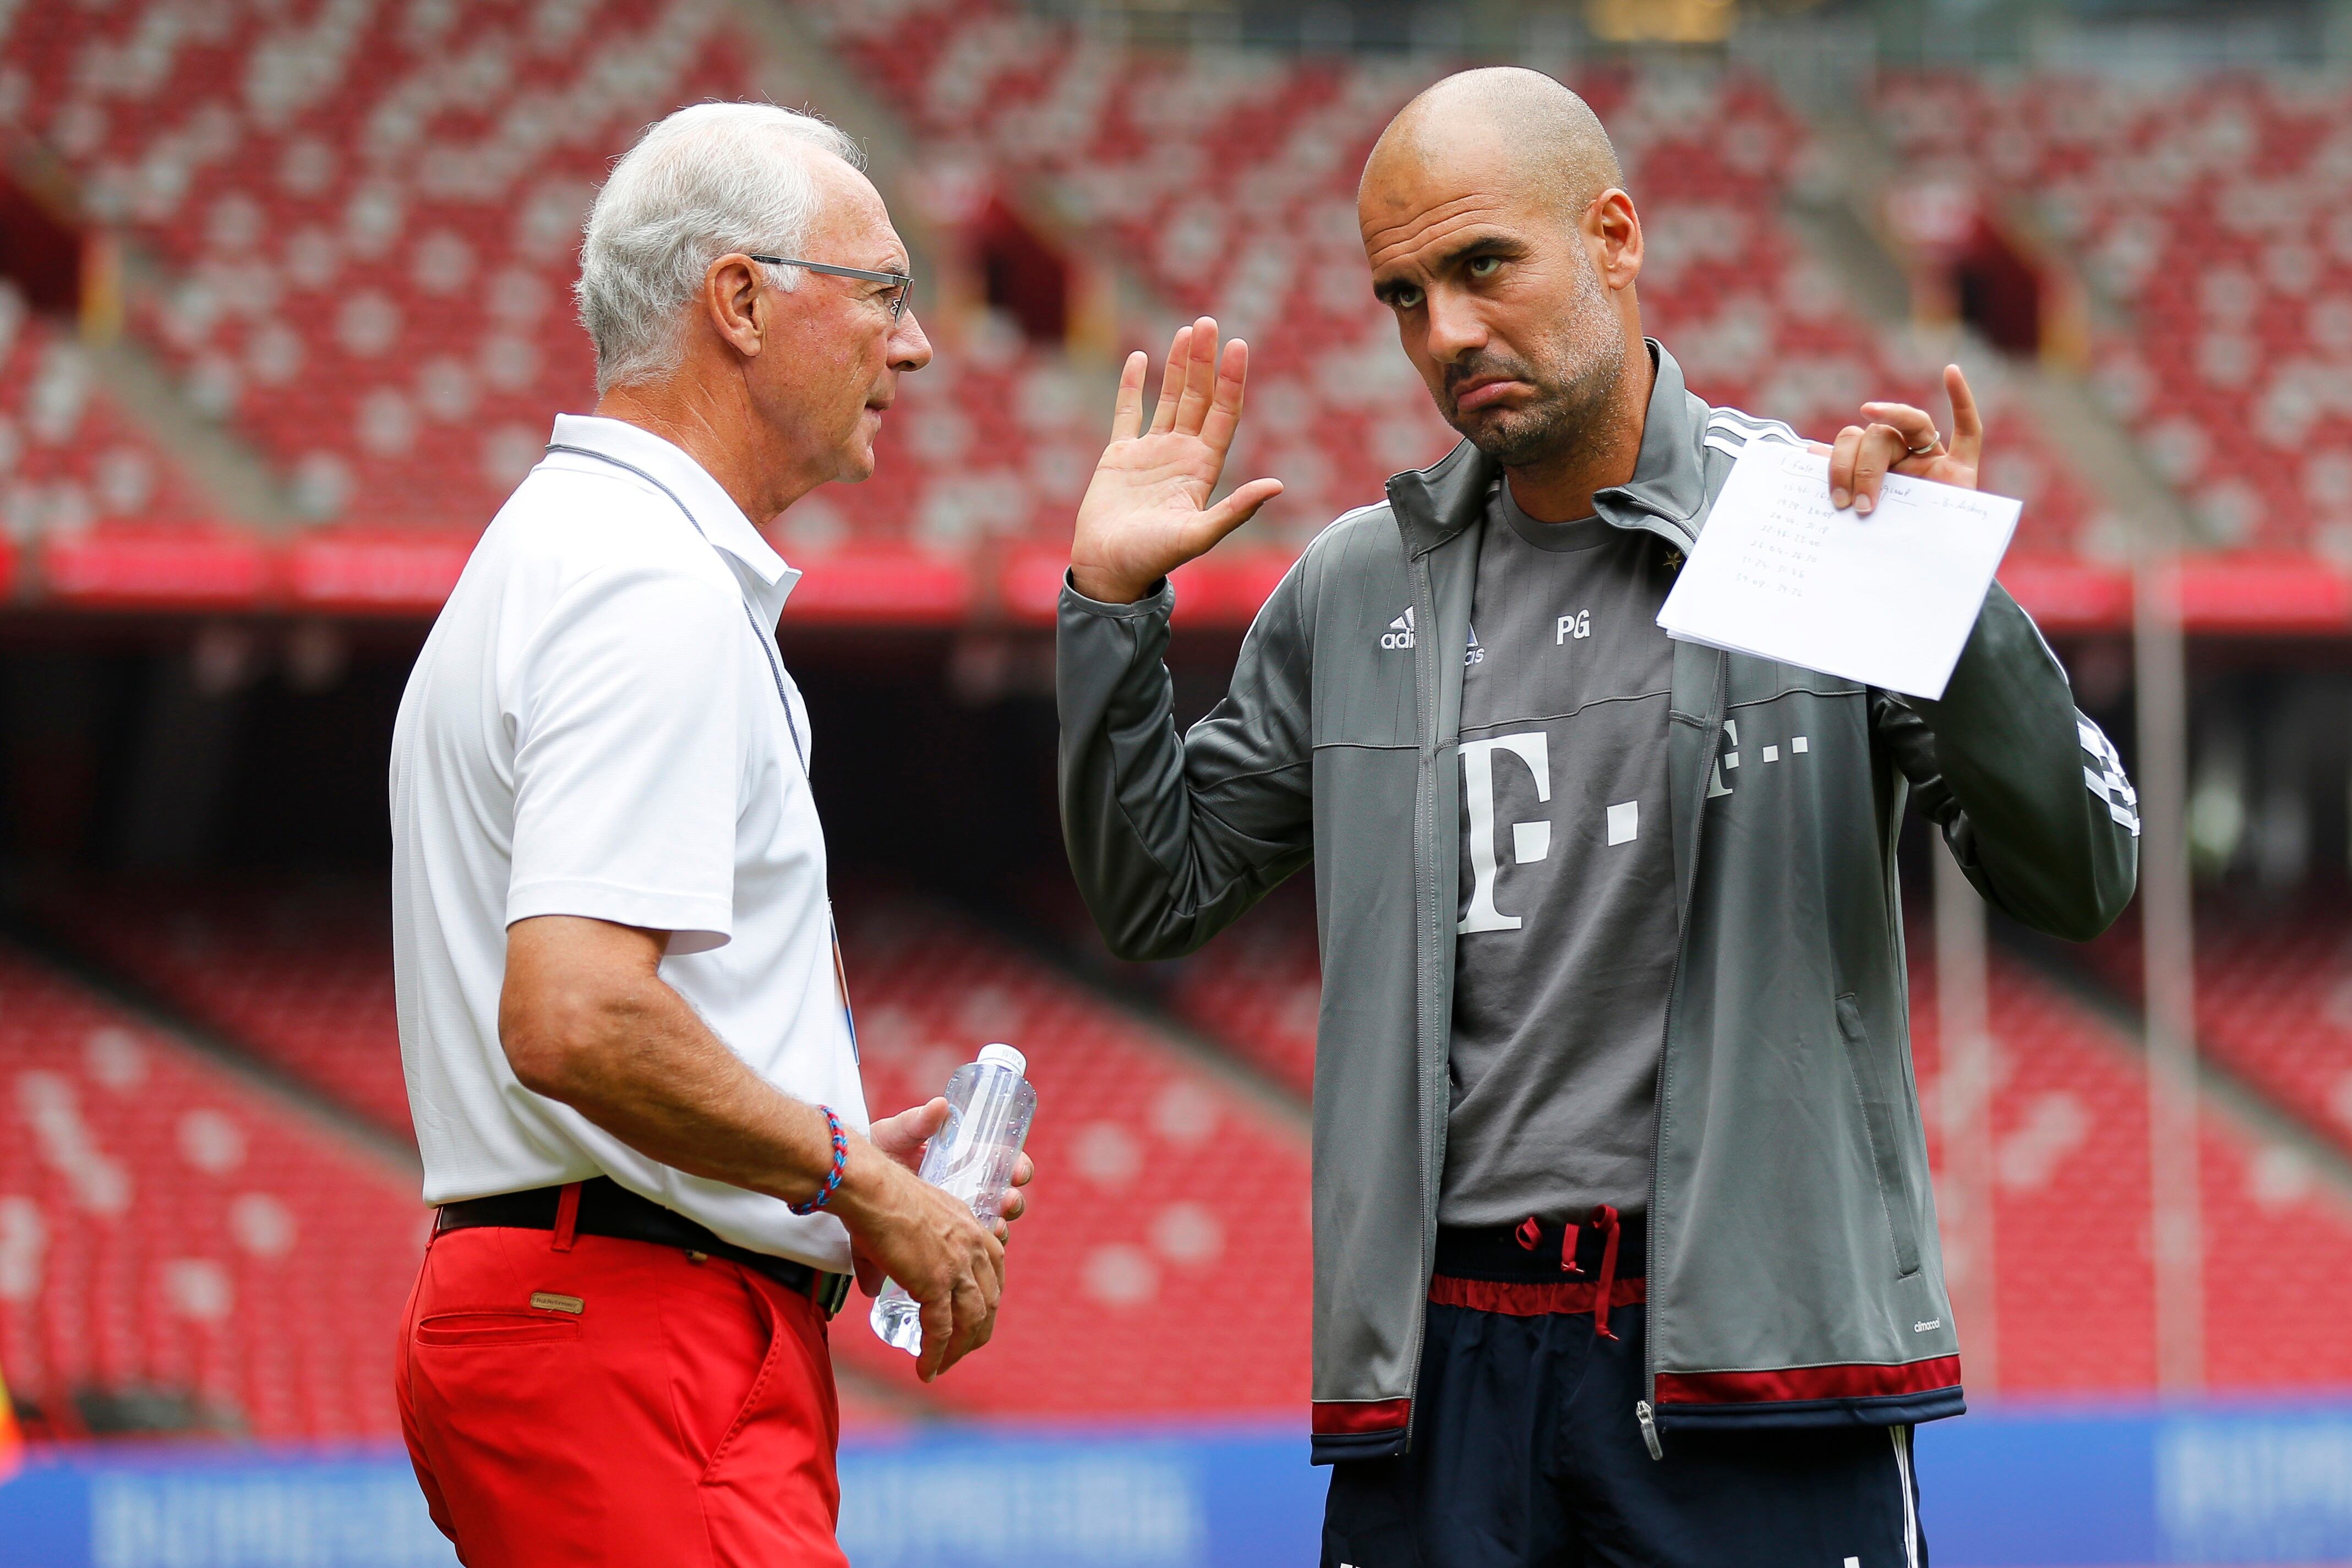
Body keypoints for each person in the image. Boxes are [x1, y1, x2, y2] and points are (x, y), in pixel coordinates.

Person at [1057, 68, 2136, 1567]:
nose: (1444, 333)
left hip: (1753, 1372)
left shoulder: (1822, 524)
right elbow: (1152, 893)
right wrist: (1108, 607)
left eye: (1481, 266)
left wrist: (1958, 617)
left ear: (1614, 235)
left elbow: (2079, 875)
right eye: (1403, 294)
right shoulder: (1351, 588)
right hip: (1439, 1386)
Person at [389, 103, 1030, 1567]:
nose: (914, 346)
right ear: (740, 301)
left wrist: (825, 1157)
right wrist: (853, 1180)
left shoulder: (579, 548)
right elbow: (574, 1015)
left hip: (608, 1303)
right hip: (626, 1326)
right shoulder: (644, 582)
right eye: (880, 294)